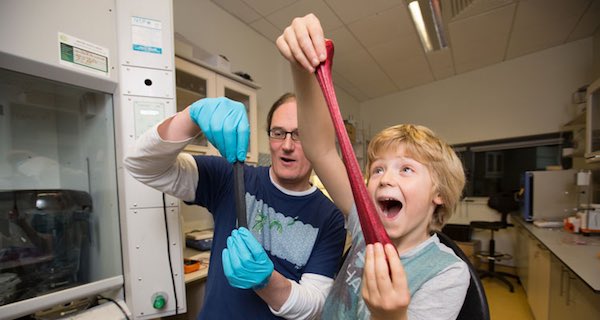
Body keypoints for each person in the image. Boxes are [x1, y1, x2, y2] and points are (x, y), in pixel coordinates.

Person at [276, 14, 470, 320]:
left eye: (406, 169)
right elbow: (321, 150)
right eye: (378, 169)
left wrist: (389, 316)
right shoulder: (364, 226)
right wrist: (303, 70)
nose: (384, 178)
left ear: (440, 193)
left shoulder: (447, 272)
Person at [124, 94, 346, 319]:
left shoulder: (331, 217)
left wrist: (268, 283)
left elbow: (317, 305)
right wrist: (190, 118)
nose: (287, 145)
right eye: (278, 133)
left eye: (300, 135)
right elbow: (141, 165)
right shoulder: (231, 177)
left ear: (319, 142)